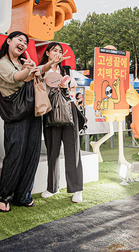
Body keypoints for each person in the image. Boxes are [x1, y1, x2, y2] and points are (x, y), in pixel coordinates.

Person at [0, 31, 42, 212]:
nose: (22, 43)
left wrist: (38, 68)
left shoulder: (24, 62)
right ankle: (4, 196)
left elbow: (30, 77)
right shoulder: (2, 64)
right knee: (15, 154)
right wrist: (29, 69)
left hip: (33, 111)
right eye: (19, 40)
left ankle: (23, 195)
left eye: (25, 42)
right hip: (15, 114)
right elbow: (17, 77)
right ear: (9, 41)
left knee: (32, 154)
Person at [39, 42, 84, 203]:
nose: (57, 53)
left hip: (68, 111)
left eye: (60, 51)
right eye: (54, 50)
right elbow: (39, 90)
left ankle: (77, 188)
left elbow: (74, 91)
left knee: (73, 150)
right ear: (47, 53)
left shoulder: (66, 71)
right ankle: (52, 187)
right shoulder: (41, 69)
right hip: (50, 112)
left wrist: (65, 86)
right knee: (53, 151)